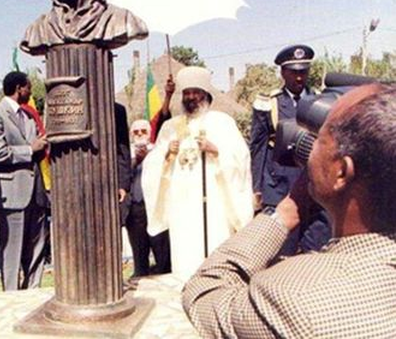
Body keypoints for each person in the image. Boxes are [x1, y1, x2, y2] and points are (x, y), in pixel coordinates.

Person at [183, 83, 396, 338]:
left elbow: (204, 291)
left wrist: (284, 213)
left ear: (340, 172)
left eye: (318, 138)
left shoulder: (293, 299)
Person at [141, 66, 252, 282]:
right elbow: (151, 165)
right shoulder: (170, 127)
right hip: (181, 205)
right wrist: (166, 154)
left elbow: (241, 158)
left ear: (206, 95)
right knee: (185, 260)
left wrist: (216, 150)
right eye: (187, 93)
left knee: (215, 251)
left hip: (215, 204)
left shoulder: (222, 122)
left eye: (196, 92)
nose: (191, 97)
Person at [250, 44, 330, 252]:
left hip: (312, 183)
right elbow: (258, 146)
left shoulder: (321, 101)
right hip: (279, 184)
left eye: (303, 72)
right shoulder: (269, 102)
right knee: (282, 249)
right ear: (283, 72)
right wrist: (257, 187)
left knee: (316, 248)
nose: (299, 77)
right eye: (294, 72)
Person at [0, 71, 49, 291]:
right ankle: (12, 297)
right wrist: (30, 149)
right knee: (12, 253)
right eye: (29, 87)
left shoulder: (29, 116)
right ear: (19, 88)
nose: (30, 92)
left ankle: (33, 293)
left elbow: (38, 149)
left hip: (36, 194)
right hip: (11, 195)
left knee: (37, 250)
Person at [125, 119, 170, 277]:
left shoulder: (158, 151)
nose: (139, 134)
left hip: (156, 207)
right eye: (136, 132)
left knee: (162, 254)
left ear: (150, 134)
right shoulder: (126, 154)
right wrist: (135, 161)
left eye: (143, 131)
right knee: (139, 255)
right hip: (136, 209)